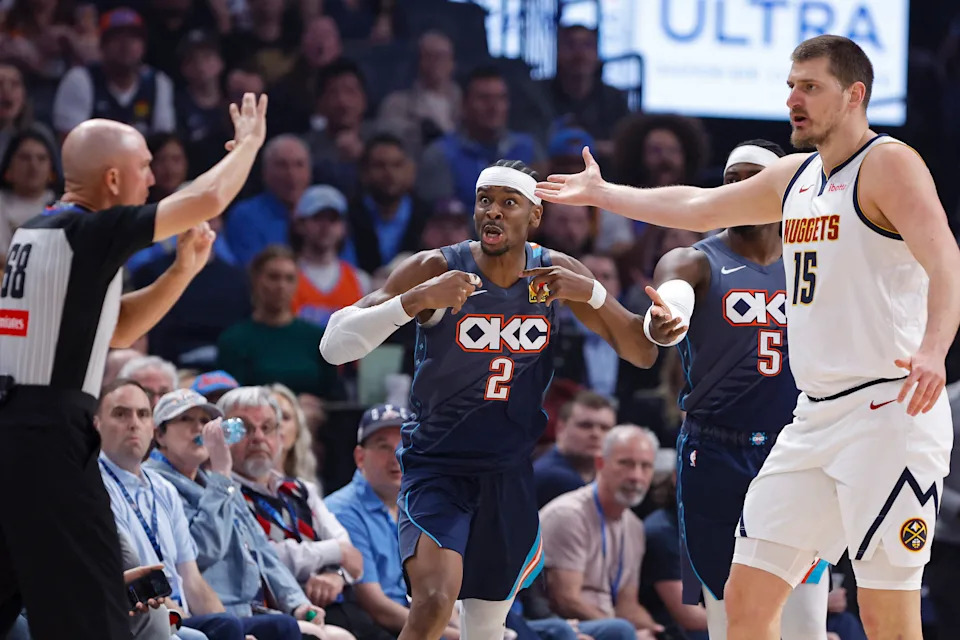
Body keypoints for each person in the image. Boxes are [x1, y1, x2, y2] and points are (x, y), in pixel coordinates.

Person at [535, 34, 960, 640]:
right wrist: (604, 195)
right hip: (813, 418)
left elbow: (945, 259)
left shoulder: (888, 163)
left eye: (810, 87)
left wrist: (935, 350)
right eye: (790, 86)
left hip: (887, 410)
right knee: (747, 597)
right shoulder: (798, 175)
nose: (793, 99)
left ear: (854, 94)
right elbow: (700, 206)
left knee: (885, 615)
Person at [321, 159, 659, 640]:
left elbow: (643, 353)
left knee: (485, 627)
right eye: (485, 201)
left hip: (508, 470)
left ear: (535, 215)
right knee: (434, 603)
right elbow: (333, 346)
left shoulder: (554, 274)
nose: (493, 212)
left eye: (508, 202)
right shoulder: (438, 267)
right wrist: (414, 301)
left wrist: (595, 295)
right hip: (438, 465)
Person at [0, 91, 268, 640]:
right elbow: (209, 195)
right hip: (49, 436)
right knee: (94, 613)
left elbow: (117, 328)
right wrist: (248, 145)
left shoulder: (40, 231)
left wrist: (181, 271)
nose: (152, 180)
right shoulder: (88, 231)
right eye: (145, 167)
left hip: (16, 431)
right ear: (113, 181)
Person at [644, 139, 830, 639]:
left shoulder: (816, 261)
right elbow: (672, 297)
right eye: (731, 181)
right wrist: (666, 319)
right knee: (728, 621)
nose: (739, 191)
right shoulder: (694, 260)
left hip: (795, 452)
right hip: (715, 453)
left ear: (782, 191)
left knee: (806, 625)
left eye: (752, 180)